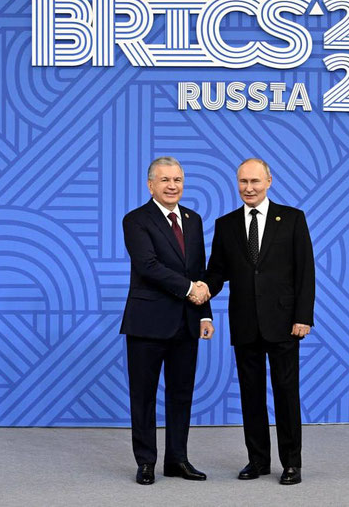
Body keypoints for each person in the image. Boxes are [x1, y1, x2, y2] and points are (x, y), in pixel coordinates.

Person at [200, 158, 315, 485]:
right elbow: (217, 272)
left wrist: (303, 317)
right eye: (242, 182)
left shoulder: (292, 219)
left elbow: (305, 271)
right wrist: (204, 288)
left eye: (254, 181)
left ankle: (292, 463)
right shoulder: (226, 224)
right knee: (251, 396)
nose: (248, 188)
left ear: (269, 181)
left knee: (286, 394)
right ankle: (258, 461)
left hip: (284, 323)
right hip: (245, 322)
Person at [120, 156, 215, 485]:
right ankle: (146, 461)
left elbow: (199, 270)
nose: (172, 185)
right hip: (147, 322)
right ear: (151, 185)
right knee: (143, 396)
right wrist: (191, 290)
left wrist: (204, 312)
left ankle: (177, 459)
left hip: (187, 322)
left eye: (177, 180)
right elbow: (148, 266)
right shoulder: (136, 220)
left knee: (181, 394)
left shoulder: (194, 219)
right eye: (165, 180)